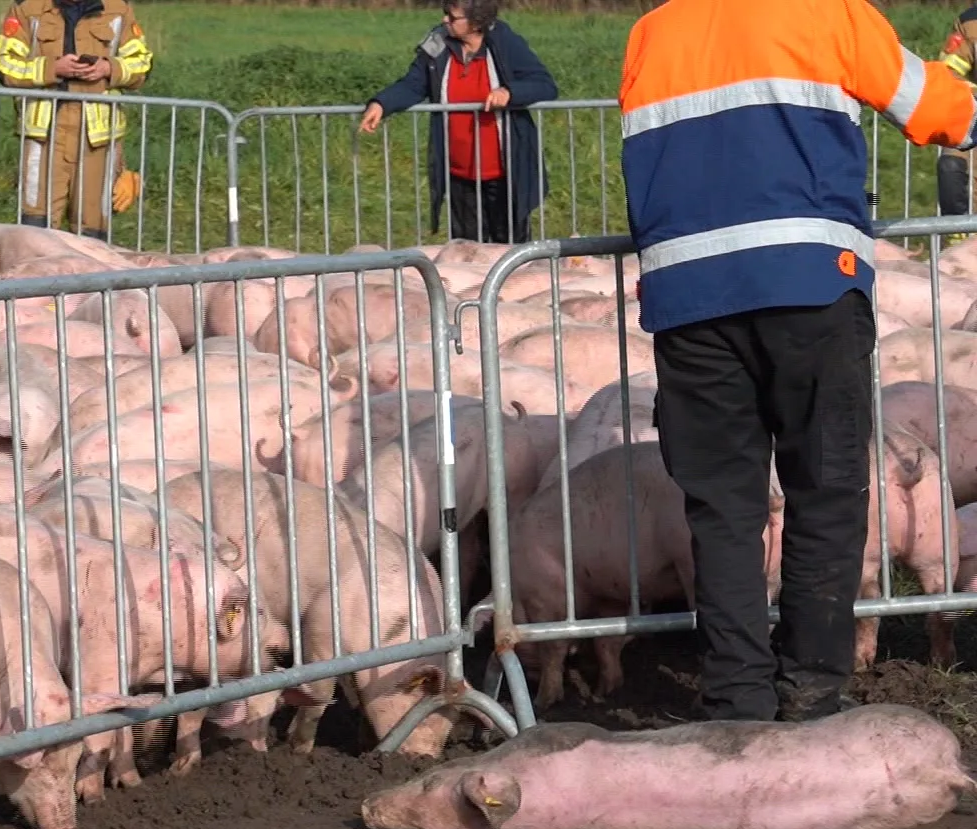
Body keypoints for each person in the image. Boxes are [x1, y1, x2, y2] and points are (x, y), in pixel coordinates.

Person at [619, 0, 977, 723]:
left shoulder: (651, 32)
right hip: (807, 283)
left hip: (688, 296)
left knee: (722, 507)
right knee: (826, 488)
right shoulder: (827, 13)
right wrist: (963, 61)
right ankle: (812, 688)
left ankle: (736, 697)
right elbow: (944, 113)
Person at [359, 0, 558, 244]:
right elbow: (413, 83)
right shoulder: (437, 43)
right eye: (445, 14)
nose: (445, 21)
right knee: (467, 249)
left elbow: (544, 85)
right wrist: (382, 103)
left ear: (476, 22)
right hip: (459, 174)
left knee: (510, 249)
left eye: (452, 17)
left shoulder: (506, 43)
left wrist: (509, 93)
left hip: (506, 174)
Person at [0, 0, 153, 242]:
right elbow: (3, 64)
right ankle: (36, 273)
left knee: (93, 221)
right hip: (44, 130)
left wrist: (108, 69)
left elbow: (142, 63)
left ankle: (89, 277)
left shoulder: (118, 9)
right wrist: (52, 69)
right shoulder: (28, 8)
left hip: (97, 133)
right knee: (36, 219)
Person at [936, 6, 977, 231]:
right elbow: (949, 71)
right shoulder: (971, 23)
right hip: (976, 120)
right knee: (952, 167)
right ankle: (958, 236)